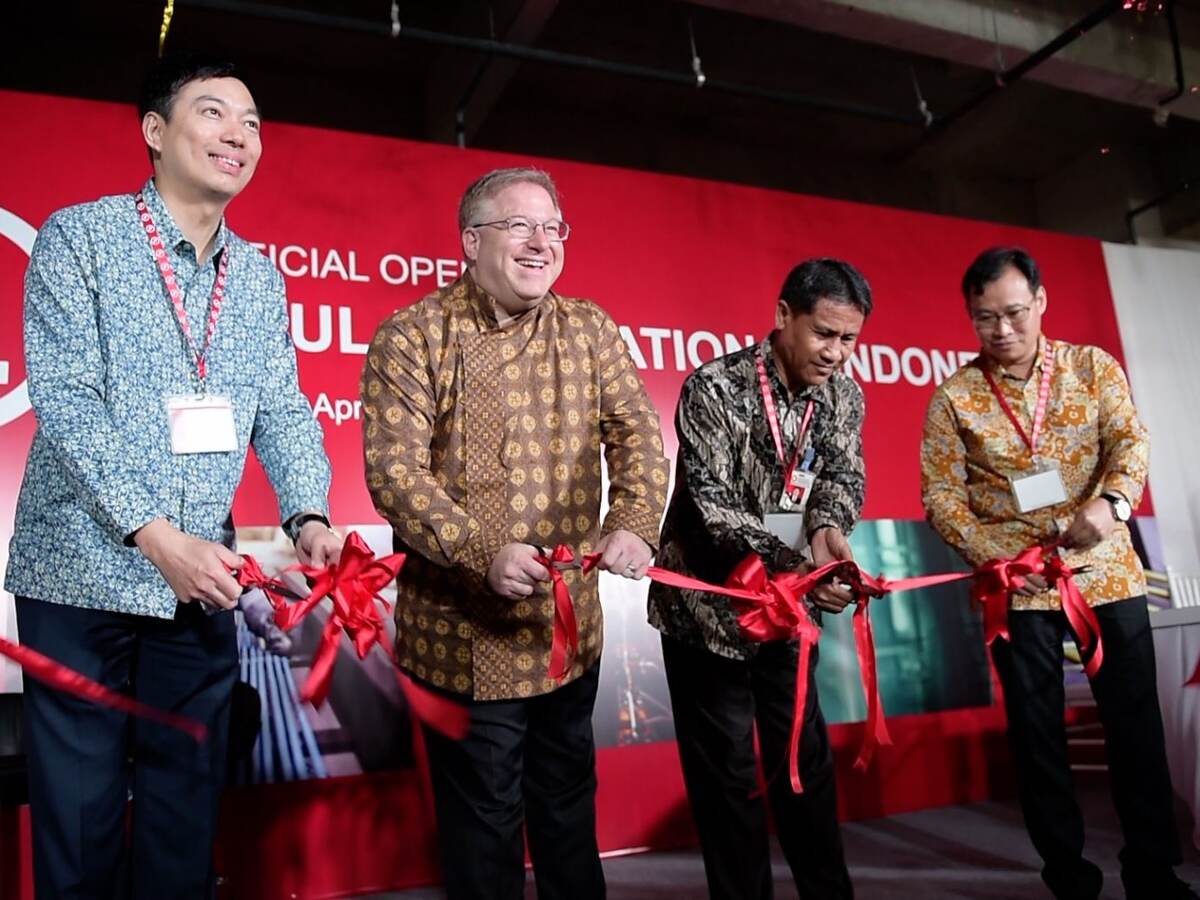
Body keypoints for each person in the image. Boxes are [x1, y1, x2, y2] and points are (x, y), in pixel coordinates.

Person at [4, 55, 340, 899]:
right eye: (215, 113)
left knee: (182, 816)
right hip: (81, 572)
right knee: (79, 819)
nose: (238, 135)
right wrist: (157, 538)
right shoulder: (79, 237)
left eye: (253, 122)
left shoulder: (260, 276)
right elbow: (68, 402)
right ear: (156, 132)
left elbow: (283, 406)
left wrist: (310, 517)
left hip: (203, 586)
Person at [360, 166, 669, 899]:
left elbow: (637, 436)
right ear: (471, 242)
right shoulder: (412, 334)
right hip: (462, 636)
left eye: (552, 227)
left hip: (566, 634)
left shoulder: (589, 328)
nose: (541, 243)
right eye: (518, 226)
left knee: (566, 811)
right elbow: (393, 472)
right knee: (483, 831)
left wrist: (632, 521)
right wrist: (477, 549)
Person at [920, 246, 1195, 900]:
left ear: (1041, 301)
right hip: (1019, 589)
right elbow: (940, 495)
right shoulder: (954, 398)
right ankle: (1068, 878)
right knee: (1038, 739)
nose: (1003, 331)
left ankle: (1153, 872)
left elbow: (1131, 442)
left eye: (1015, 313)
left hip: (1106, 574)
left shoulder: (1091, 368)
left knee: (1135, 728)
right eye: (985, 319)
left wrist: (1114, 504)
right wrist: (993, 556)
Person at [647, 258, 871, 899]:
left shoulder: (844, 394)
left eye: (849, 339)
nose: (836, 353)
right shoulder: (714, 388)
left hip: (788, 614)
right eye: (824, 334)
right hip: (708, 614)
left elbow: (841, 477)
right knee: (730, 781)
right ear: (783, 317)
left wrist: (829, 540)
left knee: (806, 764)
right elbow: (711, 506)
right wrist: (799, 569)